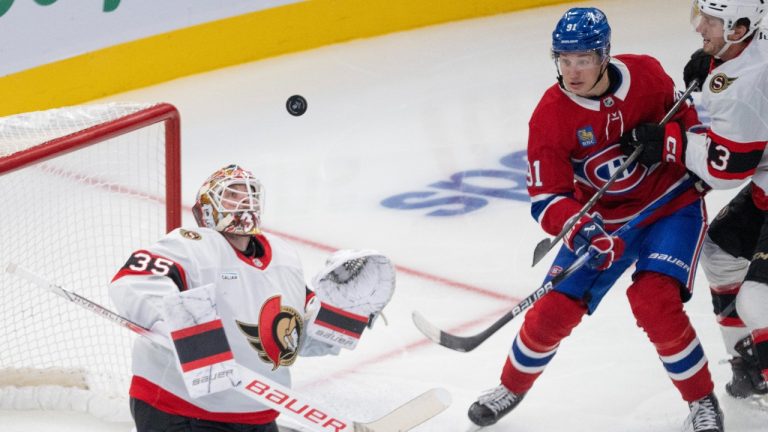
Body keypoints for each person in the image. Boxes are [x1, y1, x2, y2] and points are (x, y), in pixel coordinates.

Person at [468, 7, 724, 432]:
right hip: (601, 224)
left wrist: (669, 140)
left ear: (604, 55)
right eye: (564, 60)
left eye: (583, 59)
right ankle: (511, 386)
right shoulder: (550, 115)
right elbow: (547, 197)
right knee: (551, 310)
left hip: (669, 205)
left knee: (654, 301)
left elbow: (690, 124)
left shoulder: (646, 74)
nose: (572, 71)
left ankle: (702, 400)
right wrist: (582, 227)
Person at [109, 164, 395, 432]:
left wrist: (343, 317)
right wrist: (182, 326)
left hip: (259, 411)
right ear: (208, 206)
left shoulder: (283, 257)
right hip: (179, 409)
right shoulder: (190, 245)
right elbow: (134, 281)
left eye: (251, 194)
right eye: (232, 194)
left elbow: (293, 337)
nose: (245, 202)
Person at [620, 0, 768, 403]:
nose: (700, 25)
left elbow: (726, 170)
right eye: (701, 13)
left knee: (758, 301)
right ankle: (752, 365)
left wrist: (674, 143)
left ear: (738, 29)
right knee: (720, 252)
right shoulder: (748, 45)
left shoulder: (744, 90)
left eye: (712, 21)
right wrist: (719, 64)